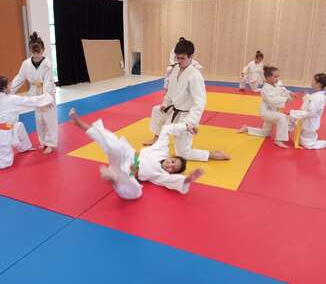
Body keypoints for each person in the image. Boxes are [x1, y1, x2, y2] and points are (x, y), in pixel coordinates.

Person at [69, 108, 204, 200]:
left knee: (137, 192)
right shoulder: (162, 149)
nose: (170, 166)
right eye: (173, 162)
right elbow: (167, 129)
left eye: (173, 169)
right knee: (113, 143)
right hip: (128, 155)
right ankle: (79, 123)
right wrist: (186, 127)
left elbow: (175, 181)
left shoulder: (162, 176)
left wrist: (188, 179)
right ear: (171, 157)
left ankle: (114, 178)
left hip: (129, 173)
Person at [145, 39, 230, 161]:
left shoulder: (195, 76)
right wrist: (165, 103)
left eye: (182, 58)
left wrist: (191, 122)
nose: (179, 61)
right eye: (177, 58)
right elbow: (170, 90)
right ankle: (157, 138)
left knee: (183, 154)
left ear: (191, 57)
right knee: (157, 110)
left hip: (186, 116)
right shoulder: (175, 69)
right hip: (174, 109)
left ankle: (213, 154)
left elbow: (200, 102)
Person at [11, 32, 58, 154]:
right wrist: (8, 91)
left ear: (43, 50)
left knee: (49, 118)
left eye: (39, 52)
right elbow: (19, 78)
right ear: (30, 51)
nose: (37, 55)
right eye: (34, 52)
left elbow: (47, 82)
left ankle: (51, 143)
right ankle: (43, 142)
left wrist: (47, 99)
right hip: (35, 94)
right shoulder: (25, 64)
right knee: (39, 119)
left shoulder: (47, 63)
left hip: (47, 93)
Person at [0, 75, 54, 169]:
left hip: (8, 127)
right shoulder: (12, 99)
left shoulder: (9, 98)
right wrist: (48, 96)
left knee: (19, 126)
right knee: (5, 163)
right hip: (3, 134)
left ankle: (25, 147)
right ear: (4, 88)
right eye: (9, 84)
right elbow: (31, 101)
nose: (11, 85)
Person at [238, 66, 295, 148]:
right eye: (275, 76)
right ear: (268, 77)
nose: (277, 78)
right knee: (283, 118)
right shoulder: (265, 89)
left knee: (265, 133)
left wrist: (290, 95)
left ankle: (247, 128)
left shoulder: (276, 86)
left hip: (272, 111)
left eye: (278, 76)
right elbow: (272, 101)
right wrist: (286, 99)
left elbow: (283, 93)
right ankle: (278, 140)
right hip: (266, 113)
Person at [289, 73, 326, 149]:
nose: (311, 81)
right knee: (290, 122)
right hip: (306, 119)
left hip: (310, 122)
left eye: (313, 80)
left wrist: (293, 113)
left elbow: (310, 113)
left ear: (318, 84)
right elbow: (310, 104)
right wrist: (307, 97)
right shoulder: (316, 95)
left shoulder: (319, 98)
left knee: (309, 145)